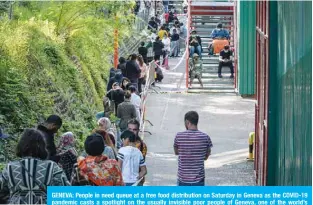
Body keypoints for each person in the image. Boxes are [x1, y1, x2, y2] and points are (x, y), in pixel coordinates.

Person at [0, 129, 70, 204]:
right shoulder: (52, 167)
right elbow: (66, 193)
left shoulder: (10, 168)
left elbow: (1, 192)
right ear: (43, 147)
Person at [174, 111, 213, 186]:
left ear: (187, 122)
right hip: (199, 180)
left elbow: (176, 152)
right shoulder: (205, 137)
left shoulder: (179, 136)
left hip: (183, 179)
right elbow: (206, 156)